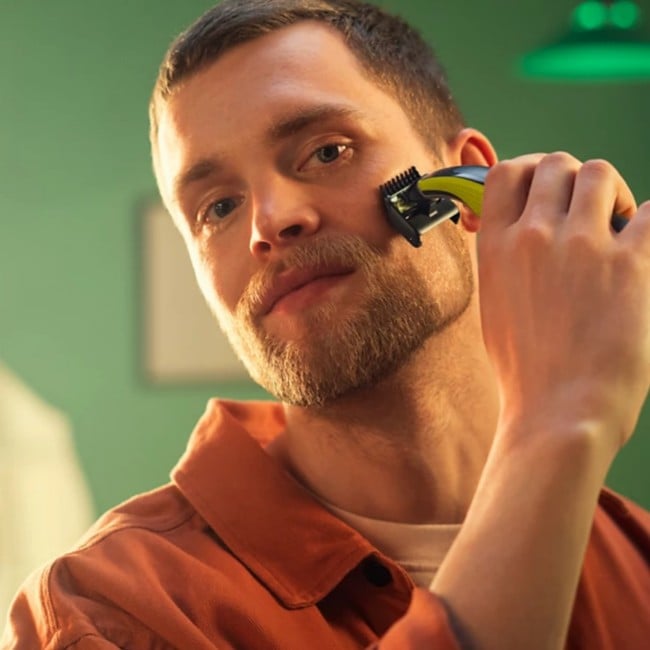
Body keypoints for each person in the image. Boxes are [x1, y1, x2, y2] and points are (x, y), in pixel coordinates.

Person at [3, 0, 649, 648]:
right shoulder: (105, 613)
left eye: (327, 151)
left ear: (472, 181)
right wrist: (555, 426)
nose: (269, 222)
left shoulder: (639, 560)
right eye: (218, 207)